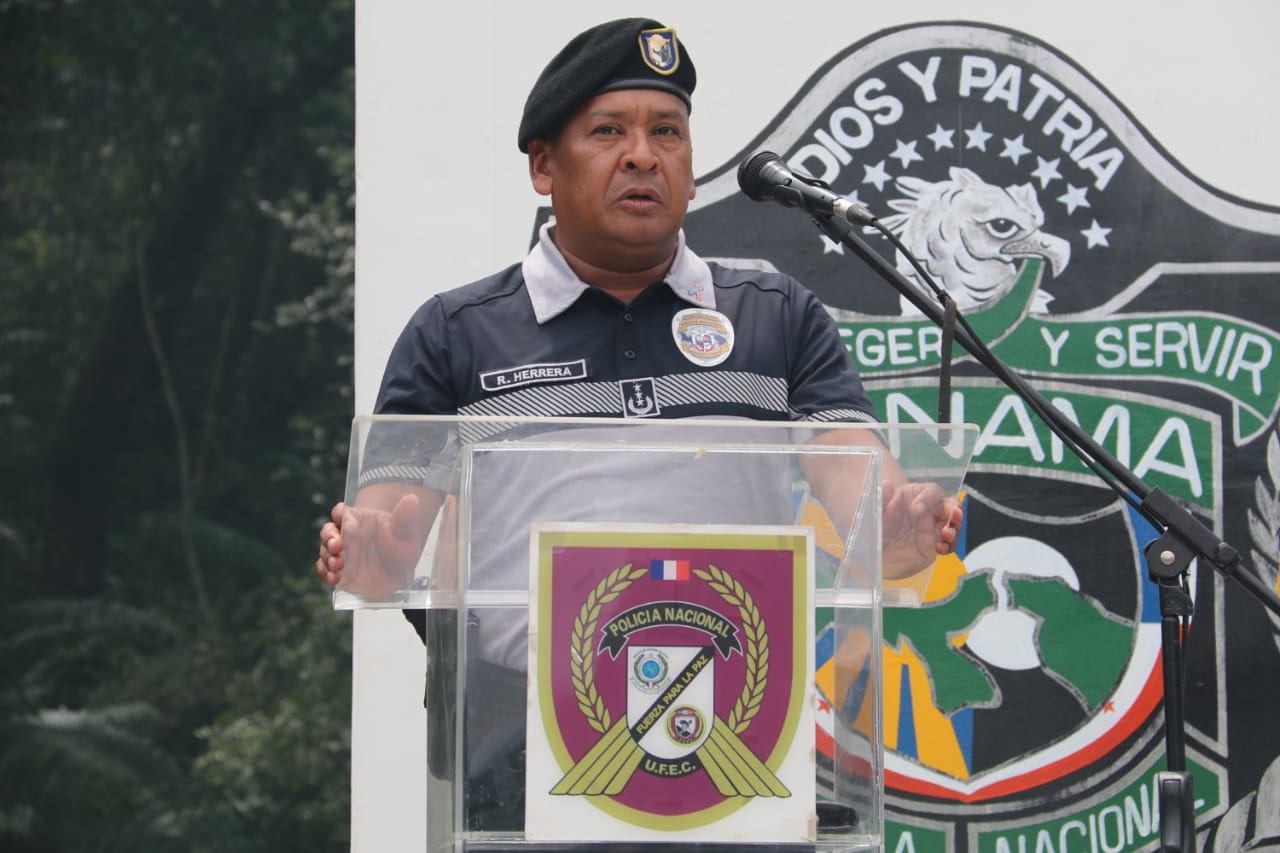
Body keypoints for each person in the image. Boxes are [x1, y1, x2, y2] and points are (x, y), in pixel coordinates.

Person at [316, 16, 962, 840]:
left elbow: (863, 493)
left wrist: (894, 526)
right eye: (608, 132)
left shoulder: (775, 317)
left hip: (738, 748)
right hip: (521, 759)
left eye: (667, 132)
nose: (642, 156)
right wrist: (372, 560)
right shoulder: (457, 333)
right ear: (543, 165)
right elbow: (386, 539)